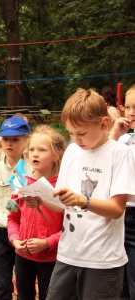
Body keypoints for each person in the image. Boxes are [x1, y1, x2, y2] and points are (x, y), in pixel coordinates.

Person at [28, 88, 135, 300]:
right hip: (69, 255)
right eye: (70, 133)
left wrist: (83, 200)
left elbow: (116, 210)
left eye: (82, 133)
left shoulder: (119, 153)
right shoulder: (73, 151)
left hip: (103, 261)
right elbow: (62, 204)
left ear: (104, 124)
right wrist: (41, 199)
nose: (76, 139)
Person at [7, 125, 65, 300]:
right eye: (31, 149)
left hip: (51, 259)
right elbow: (12, 217)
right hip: (23, 256)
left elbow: (71, 227)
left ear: (57, 154)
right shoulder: (20, 183)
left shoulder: (62, 187)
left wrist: (47, 242)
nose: (35, 154)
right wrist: (15, 240)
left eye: (42, 149)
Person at [0, 116, 31, 300]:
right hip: (1, 234)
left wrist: (20, 226)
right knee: (2, 286)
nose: (9, 144)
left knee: (24, 285)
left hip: (26, 234)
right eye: (5, 139)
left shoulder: (32, 169)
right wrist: (9, 222)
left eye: (15, 139)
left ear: (26, 140)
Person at [109, 84, 135, 300]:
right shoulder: (124, 140)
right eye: (128, 107)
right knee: (120, 280)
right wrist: (115, 133)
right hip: (120, 214)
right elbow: (101, 159)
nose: (131, 112)